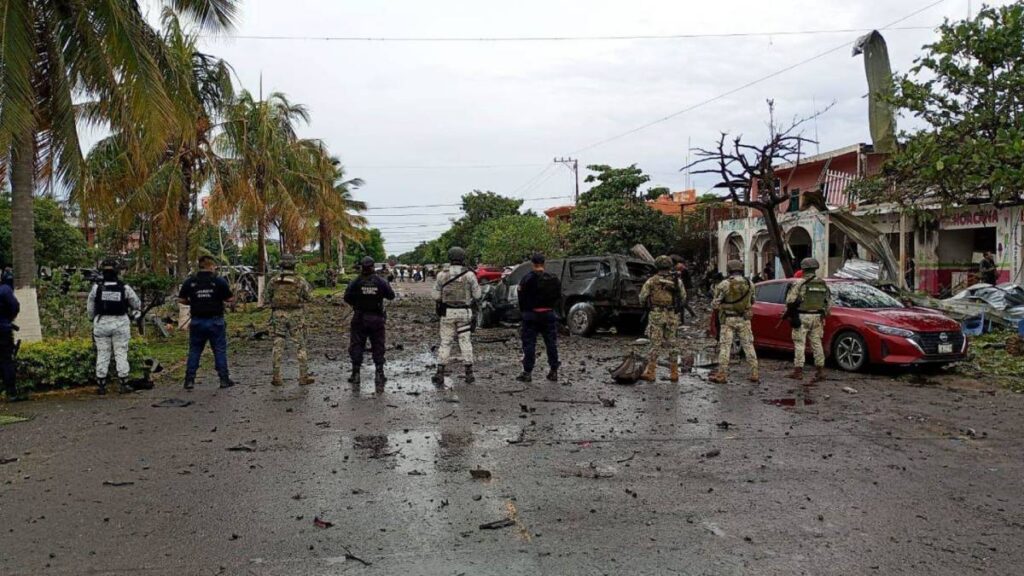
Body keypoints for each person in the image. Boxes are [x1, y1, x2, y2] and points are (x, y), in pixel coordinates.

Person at [179, 255, 236, 390]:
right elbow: (230, 299)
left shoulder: (190, 281)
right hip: (215, 321)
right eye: (214, 266)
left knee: (195, 351)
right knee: (219, 350)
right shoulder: (218, 281)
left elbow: (181, 299)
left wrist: (193, 302)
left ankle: (189, 380)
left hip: (197, 321)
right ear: (211, 266)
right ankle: (224, 379)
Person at [87, 258, 141, 395]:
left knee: (102, 353)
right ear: (117, 272)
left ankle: (101, 385)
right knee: (121, 352)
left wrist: (93, 319)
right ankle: (123, 382)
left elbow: (90, 309)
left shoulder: (96, 288)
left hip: (102, 323)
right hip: (120, 323)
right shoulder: (125, 288)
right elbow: (136, 304)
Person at [431, 247, 481, 385]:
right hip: (464, 313)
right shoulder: (469, 275)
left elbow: (435, 296)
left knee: (445, 342)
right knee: (465, 341)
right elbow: (477, 295)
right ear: (463, 258)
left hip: (447, 313)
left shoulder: (442, 275)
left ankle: (440, 373)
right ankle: (469, 373)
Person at [344, 256, 395, 388]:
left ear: (362, 267)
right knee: (378, 345)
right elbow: (391, 295)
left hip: (359, 317)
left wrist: (356, 304)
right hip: (376, 318)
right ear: (373, 267)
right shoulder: (380, 281)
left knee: (356, 345)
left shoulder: (355, 282)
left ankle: (356, 374)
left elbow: (347, 297)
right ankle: (379, 374)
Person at [265, 254, 313, 387]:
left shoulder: (273, 280)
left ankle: (276, 377)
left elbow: (267, 297)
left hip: (278, 314)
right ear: (294, 265)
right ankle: (303, 377)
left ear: (281, 265)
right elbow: (309, 297)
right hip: (296, 315)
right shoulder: (300, 280)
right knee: (300, 346)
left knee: (277, 344)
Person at [708, 260, 758, 384]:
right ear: (741, 269)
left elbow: (715, 304)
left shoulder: (724, 284)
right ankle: (754, 373)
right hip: (744, 319)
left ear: (729, 270)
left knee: (725, 346)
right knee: (748, 345)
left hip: (728, 319)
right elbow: (753, 301)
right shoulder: (750, 283)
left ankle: (722, 375)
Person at [516, 253, 561, 383]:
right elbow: (558, 296)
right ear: (544, 263)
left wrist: (524, 313)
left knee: (529, 344)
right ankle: (553, 371)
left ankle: (527, 372)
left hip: (531, 315)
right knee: (551, 343)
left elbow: (521, 299)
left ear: (532, 263)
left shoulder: (527, 279)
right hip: (548, 314)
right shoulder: (553, 279)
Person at [639, 256, 686, 383]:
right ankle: (674, 373)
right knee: (673, 344)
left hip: (656, 314)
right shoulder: (677, 281)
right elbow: (683, 298)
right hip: (671, 315)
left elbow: (642, 298)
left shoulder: (651, 281)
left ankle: (651, 372)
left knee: (655, 343)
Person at [786, 257, 832, 382]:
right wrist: (824, 315)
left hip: (802, 316)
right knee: (817, 344)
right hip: (817, 317)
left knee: (800, 344)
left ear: (803, 268)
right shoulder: (822, 283)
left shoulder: (799, 283)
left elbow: (790, 301)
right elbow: (828, 303)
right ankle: (820, 371)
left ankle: (798, 371)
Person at [0, 278, 20, 400]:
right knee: (6, 361)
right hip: (3, 331)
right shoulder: (4, 290)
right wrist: (7, 320)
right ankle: (11, 392)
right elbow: (15, 307)